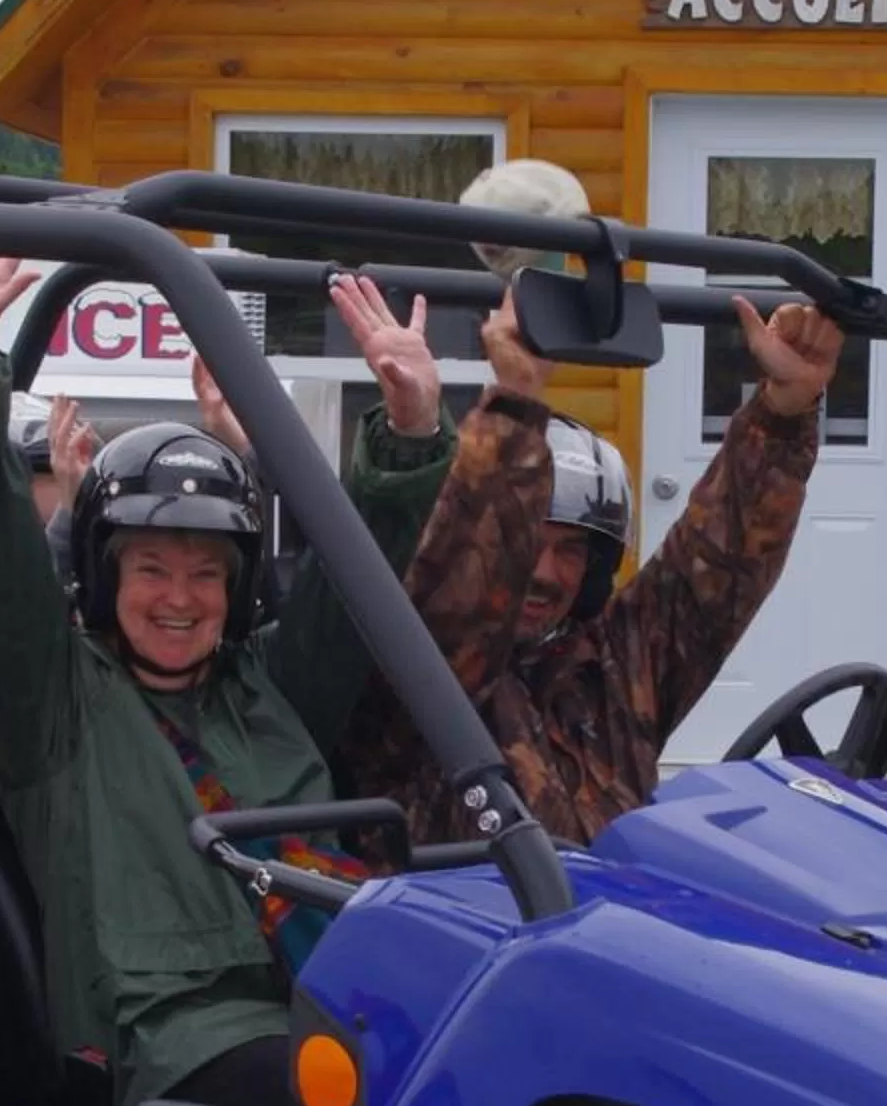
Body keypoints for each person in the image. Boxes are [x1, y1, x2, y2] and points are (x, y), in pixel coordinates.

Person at [0, 257, 449, 1106]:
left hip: (321, 991)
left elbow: (357, 587)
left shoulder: (268, 685)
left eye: (205, 573)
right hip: (160, 1037)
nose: (179, 597)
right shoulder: (52, 701)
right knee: (376, 1098)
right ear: (102, 573)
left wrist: (409, 436)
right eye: (151, 568)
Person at [343, 284, 845, 849]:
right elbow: (463, 595)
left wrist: (784, 414)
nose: (546, 572)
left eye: (572, 551)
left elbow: (714, 569)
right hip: (466, 928)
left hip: (614, 923)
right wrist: (516, 399)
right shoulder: (421, 675)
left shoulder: (612, 673)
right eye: (532, 541)